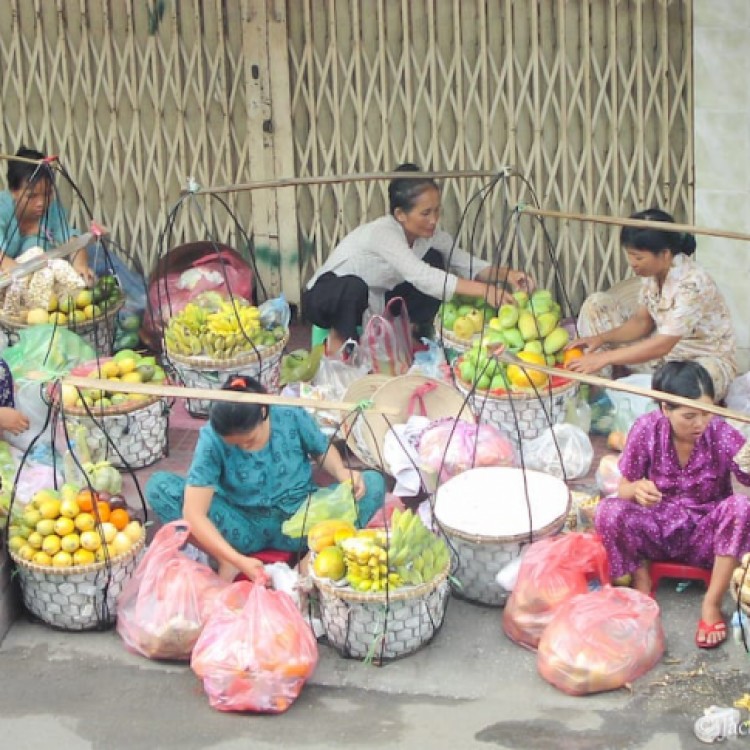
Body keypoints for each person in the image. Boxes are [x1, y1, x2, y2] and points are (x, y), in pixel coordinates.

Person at [145, 375, 385, 582]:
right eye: (235, 445)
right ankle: (225, 558)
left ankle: (311, 555)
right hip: (242, 527)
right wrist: (234, 559)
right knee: (159, 487)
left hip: (304, 520)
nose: (244, 447)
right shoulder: (212, 438)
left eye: (248, 441)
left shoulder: (289, 413)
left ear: (263, 411)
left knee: (372, 483)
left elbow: (321, 450)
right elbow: (194, 512)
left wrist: (342, 472)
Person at [595, 361, 750, 648]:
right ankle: (642, 580)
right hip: (657, 528)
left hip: (706, 536)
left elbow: (747, 476)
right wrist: (637, 489)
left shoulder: (720, 431)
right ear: (665, 409)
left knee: (741, 507)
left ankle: (711, 603)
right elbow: (624, 487)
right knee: (608, 510)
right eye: (689, 416)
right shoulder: (646, 429)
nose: (700, 423)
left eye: (706, 413)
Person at [302, 163, 534, 353]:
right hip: (327, 297)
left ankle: (409, 333)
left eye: (437, 211)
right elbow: (421, 276)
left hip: (374, 299)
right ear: (400, 214)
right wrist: (484, 290)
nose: (433, 220)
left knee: (435, 259)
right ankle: (338, 346)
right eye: (425, 213)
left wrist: (507, 275)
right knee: (358, 286)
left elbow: (463, 261)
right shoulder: (383, 232)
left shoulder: (429, 237)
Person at [567, 208, 736, 400]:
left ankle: (638, 389)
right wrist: (601, 338)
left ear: (664, 254)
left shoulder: (692, 284)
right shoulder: (653, 274)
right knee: (596, 305)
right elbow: (641, 322)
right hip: (660, 359)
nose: (633, 263)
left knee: (686, 386)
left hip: (697, 362)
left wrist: (604, 357)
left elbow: (663, 345)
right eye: (629, 255)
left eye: (638, 257)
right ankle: (602, 394)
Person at [0, 147, 94, 284]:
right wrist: (22, 275)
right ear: (13, 191)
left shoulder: (52, 211)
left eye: (47, 194)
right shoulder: (2, 208)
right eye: (32, 196)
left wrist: (80, 266)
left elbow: (71, 240)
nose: (41, 203)